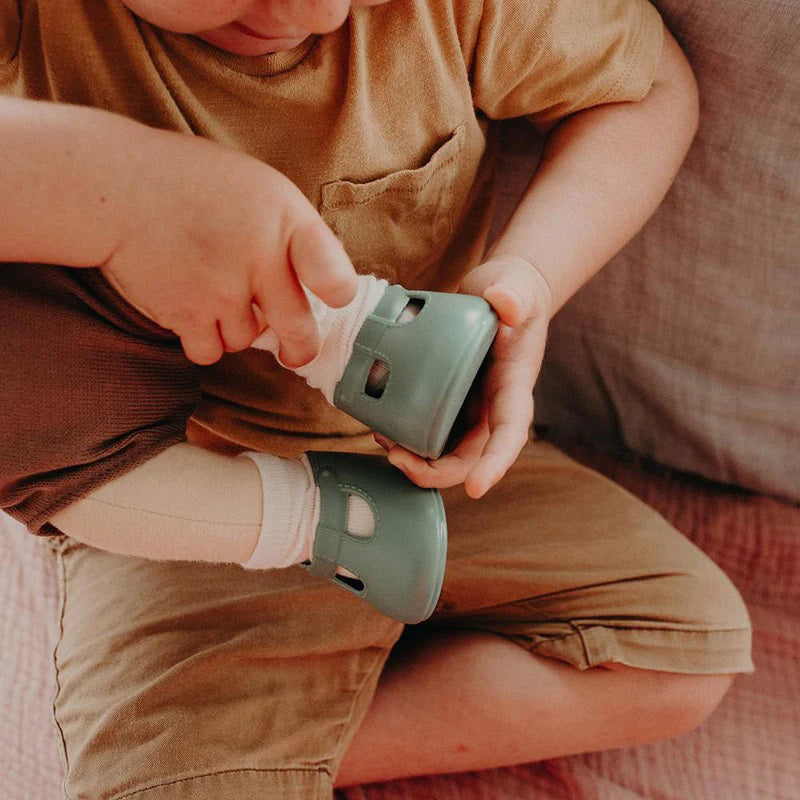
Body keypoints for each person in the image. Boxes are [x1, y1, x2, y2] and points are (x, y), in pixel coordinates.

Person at [0, 0, 752, 797]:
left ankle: (271, 757)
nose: (316, 10)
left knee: (684, 649)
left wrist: (531, 278)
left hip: (429, 460)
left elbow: (647, 89)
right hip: (188, 491)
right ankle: (240, 751)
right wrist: (126, 186)